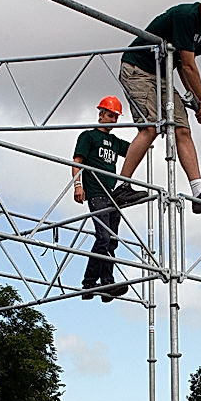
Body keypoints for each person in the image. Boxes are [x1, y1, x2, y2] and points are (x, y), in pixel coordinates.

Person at [113, 0, 201, 213]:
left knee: (183, 129)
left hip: (162, 75)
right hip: (138, 69)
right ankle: (122, 187)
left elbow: (184, 68)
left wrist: (195, 101)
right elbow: (189, 65)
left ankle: (199, 192)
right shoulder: (186, 16)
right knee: (150, 127)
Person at [72, 95, 130, 300]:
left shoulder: (115, 142)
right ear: (101, 115)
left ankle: (103, 284)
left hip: (112, 194)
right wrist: (78, 185)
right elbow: (77, 161)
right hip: (96, 193)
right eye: (110, 115)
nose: (113, 120)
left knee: (111, 240)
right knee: (104, 237)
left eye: (116, 117)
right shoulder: (89, 136)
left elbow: (135, 149)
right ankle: (96, 282)